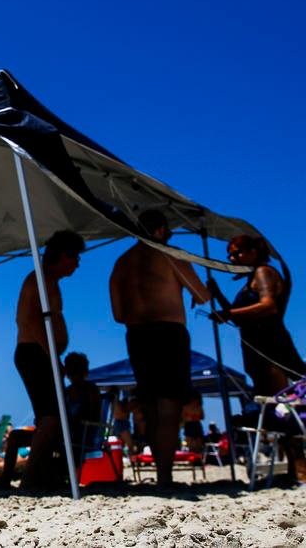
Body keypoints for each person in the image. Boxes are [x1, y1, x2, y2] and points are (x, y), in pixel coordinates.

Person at [109, 209, 212, 487]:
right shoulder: (169, 254)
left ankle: (160, 473)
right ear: (160, 230)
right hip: (168, 333)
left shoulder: (121, 263)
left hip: (137, 334)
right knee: (169, 404)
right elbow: (200, 295)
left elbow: (118, 315)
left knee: (150, 405)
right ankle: (165, 476)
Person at [211, 234, 306, 482]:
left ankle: (300, 470)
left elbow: (268, 306)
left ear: (255, 250)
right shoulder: (251, 278)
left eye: (238, 253)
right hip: (258, 352)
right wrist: (218, 296)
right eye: (230, 255)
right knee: (274, 415)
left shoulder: (264, 272)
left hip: (272, 351)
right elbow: (238, 315)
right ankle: (293, 470)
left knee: (284, 412)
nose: (233, 258)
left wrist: (228, 313)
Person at [14, 229, 85, 489]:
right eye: (75, 257)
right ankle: (31, 477)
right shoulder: (40, 280)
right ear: (63, 255)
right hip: (35, 352)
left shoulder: (47, 281)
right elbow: (30, 322)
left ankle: (42, 474)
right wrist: (52, 355)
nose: (78, 263)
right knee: (51, 416)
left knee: (52, 416)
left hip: (39, 352)